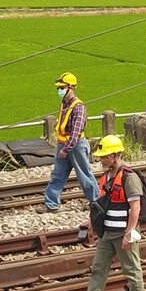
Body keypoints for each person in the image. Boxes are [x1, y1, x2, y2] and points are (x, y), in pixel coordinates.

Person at [85, 135, 145, 291]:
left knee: (131, 269)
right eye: (101, 156)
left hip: (122, 233)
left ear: (116, 155)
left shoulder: (129, 177)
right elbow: (103, 205)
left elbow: (136, 207)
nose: (102, 160)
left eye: (105, 156)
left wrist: (129, 232)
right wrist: (91, 223)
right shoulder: (106, 177)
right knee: (98, 268)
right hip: (106, 233)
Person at [44, 72, 99, 212]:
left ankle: (97, 203)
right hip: (64, 145)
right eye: (59, 88)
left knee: (84, 175)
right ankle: (51, 204)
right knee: (57, 175)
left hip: (75, 146)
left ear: (71, 87)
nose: (59, 90)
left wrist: (65, 149)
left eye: (62, 87)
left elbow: (76, 132)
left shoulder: (78, 107)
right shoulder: (64, 104)